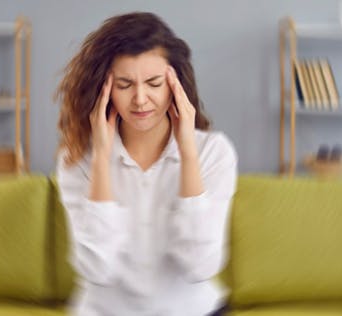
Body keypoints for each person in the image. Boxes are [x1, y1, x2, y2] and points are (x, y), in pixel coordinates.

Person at [55, 11, 237, 316]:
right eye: (125, 85)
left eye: (154, 83)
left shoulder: (213, 152)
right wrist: (101, 158)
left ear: (174, 85)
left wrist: (188, 152)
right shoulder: (77, 158)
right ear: (105, 89)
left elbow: (200, 265)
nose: (140, 99)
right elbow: (97, 268)